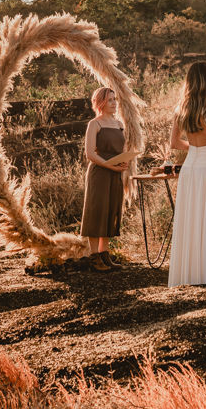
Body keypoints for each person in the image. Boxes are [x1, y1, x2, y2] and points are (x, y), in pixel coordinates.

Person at [167, 62, 206, 287]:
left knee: (189, 219)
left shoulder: (181, 108)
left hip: (190, 167)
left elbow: (173, 143)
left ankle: (186, 275)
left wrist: (193, 148)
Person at [81, 86, 128, 271]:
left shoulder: (118, 124)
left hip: (115, 172)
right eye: (109, 100)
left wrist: (124, 163)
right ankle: (94, 257)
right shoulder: (95, 124)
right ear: (100, 102)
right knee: (97, 211)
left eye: (114, 99)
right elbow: (90, 153)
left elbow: (120, 149)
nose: (114, 103)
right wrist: (109, 165)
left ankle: (105, 254)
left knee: (111, 210)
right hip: (99, 173)